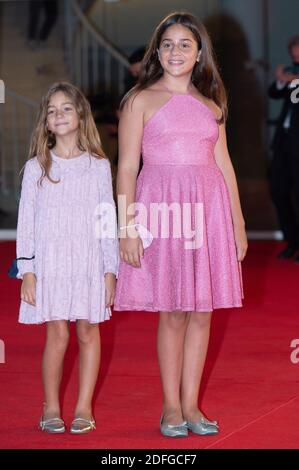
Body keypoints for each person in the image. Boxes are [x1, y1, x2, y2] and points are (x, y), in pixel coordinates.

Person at [113, 11, 247, 438]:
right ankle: (171, 406)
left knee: (203, 312)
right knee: (172, 312)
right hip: (165, 213)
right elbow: (127, 165)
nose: (175, 52)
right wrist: (126, 224)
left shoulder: (213, 105)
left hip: (208, 212)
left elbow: (225, 166)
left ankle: (192, 405)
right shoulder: (139, 100)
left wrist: (238, 224)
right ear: (157, 51)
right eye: (167, 44)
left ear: (199, 53)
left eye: (185, 44)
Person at [16, 81, 118, 434]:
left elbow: (108, 219)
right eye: (51, 110)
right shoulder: (36, 168)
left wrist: (110, 270)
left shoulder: (98, 166)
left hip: (89, 262)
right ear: (45, 122)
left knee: (88, 331)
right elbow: (25, 222)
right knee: (57, 334)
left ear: (81, 116)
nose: (59, 115)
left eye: (66, 108)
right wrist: (27, 270)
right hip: (50, 264)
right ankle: (51, 406)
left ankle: (84, 406)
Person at [268, 35, 299, 261]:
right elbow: (274, 92)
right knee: (278, 190)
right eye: (293, 51)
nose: (295, 55)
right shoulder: (290, 70)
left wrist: (294, 81)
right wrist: (282, 80)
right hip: (283, 143)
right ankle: (292, 241)